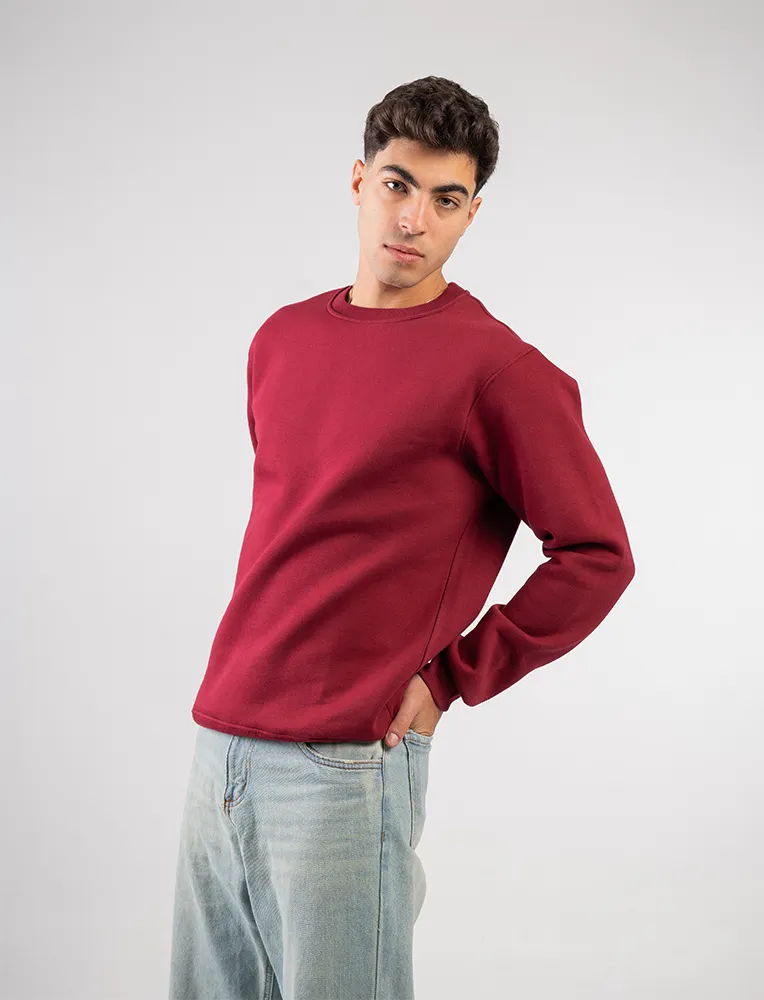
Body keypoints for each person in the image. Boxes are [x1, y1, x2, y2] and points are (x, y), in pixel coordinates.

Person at [168, 75, 635, 1000]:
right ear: (359, 181)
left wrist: (452, 677)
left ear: (471, 215)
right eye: (397, 184)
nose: (415, 218)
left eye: (446, 199)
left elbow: (597, 556)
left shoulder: (498, 371)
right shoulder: (280, 339)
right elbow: (302, 533)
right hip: (219, 741)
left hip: (347, 763)